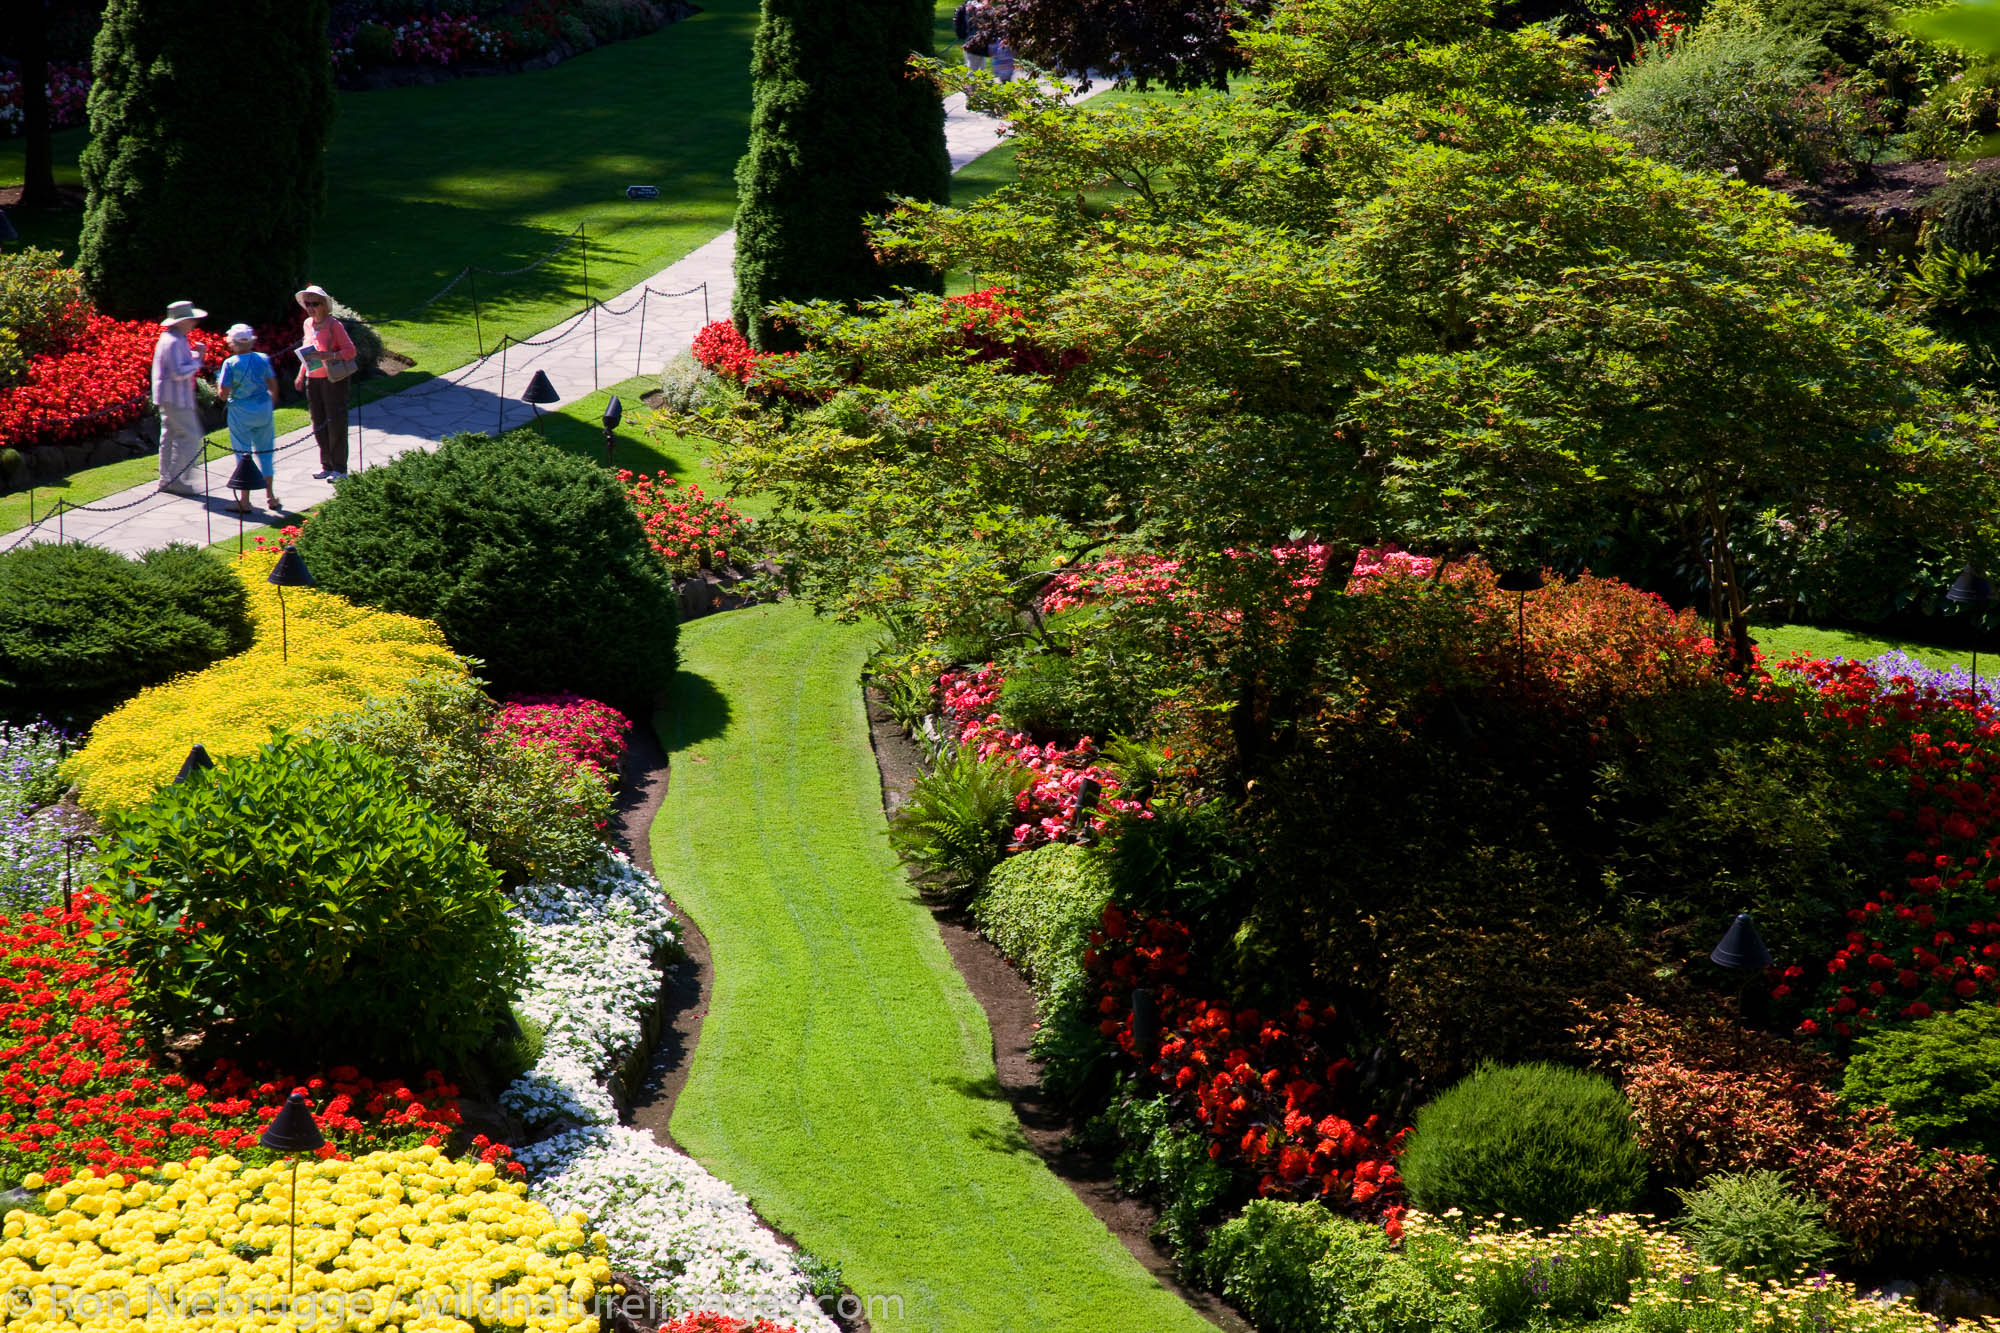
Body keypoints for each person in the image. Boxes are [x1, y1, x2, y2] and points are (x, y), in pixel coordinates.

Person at [215, 323, 280, 513]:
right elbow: (273, 384)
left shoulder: (230, 363)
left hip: (240, 413)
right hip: (264, 409)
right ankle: (271, 497)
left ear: (232, 343)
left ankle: (244, 501)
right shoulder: (263, 358)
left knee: (243, 455)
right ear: (251, 341)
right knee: (266, 453)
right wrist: (270, 404)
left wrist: (221, 391)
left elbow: (223, 394)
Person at [294, 283, 357, 481]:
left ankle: (340, 468)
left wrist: (328, 355)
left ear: (324, 305)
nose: (311, 308)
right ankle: (327, 465)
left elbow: (350, 351)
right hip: (312, 380)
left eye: (315, 304)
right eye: (308, 304)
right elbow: (307, 352)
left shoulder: (334, 325)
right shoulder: (307, 324)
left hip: (333, 380)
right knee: (318, 423)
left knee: (336, 422)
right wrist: (300, 374)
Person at [152, 300, 207, 496]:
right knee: (190, 436)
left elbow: (176, 362)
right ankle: (176, 478)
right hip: (176, 398)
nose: (193, 323)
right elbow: (177, 371)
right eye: (190, 319)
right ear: (182, 321)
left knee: (169, 437)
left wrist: (193, 356)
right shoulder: (175, 341)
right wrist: (198, 360)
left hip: (167, 397)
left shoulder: (171, 338)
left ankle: (166, 478)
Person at [954, 0, 990, 72]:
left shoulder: (968, 6)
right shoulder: (975, 6)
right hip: (974, 42)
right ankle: (970, 82)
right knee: (974, 69)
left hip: (974, 41)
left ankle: (973, 81)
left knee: (980, 68)